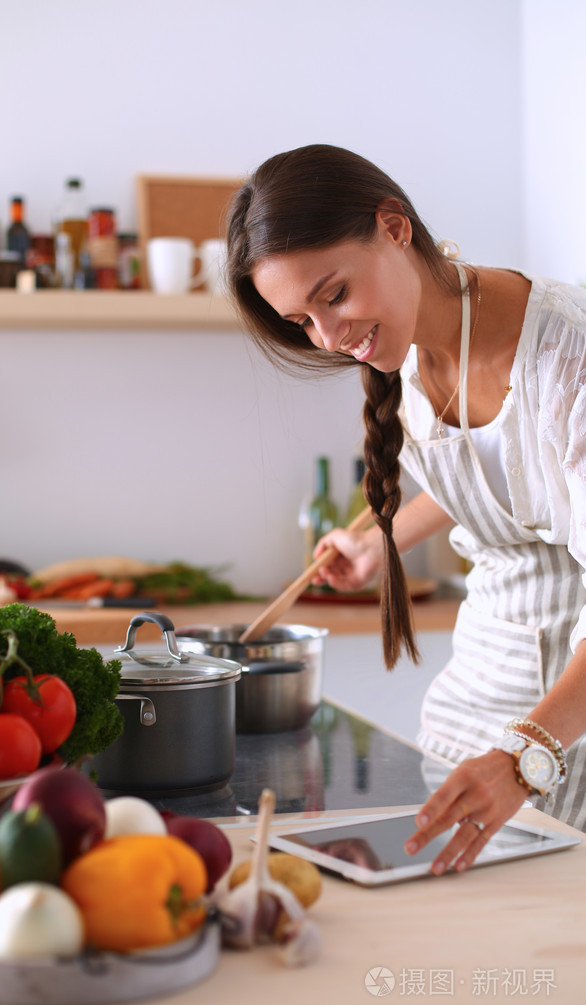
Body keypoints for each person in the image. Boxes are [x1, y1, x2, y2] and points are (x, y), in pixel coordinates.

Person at [225, 143, 586, 876]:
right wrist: (380, 542)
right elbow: (503, 484)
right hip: (479, 683)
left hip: (563, 712)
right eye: (302, 320)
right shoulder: (415, 348)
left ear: (394, 229)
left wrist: (525, 756)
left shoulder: (566, 357)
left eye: (333, 296)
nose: (330, 340)